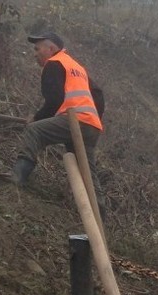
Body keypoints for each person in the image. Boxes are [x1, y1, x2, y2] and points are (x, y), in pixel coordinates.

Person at [12, 32, 105, 191]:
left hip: (75, 120)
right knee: (87, 173)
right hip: (92, 126)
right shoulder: (76, 67)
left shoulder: (54, 63)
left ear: (51, 48)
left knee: (34, 131)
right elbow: (98, 94)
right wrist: (92, 120)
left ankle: (18, 177)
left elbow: (55, 101)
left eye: (37, 49)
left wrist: (36, 118)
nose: (35, 54)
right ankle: (99, 212)